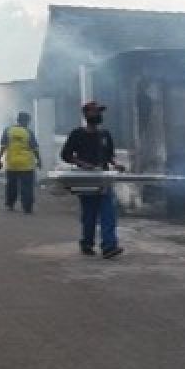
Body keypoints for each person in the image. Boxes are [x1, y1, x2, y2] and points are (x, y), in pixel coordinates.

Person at [60, 100, 124, 259]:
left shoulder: (104, 134)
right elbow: (66, 155)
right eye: (96, 112)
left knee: (108, 212)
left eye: (100, 112)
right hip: (85, 179)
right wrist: (83, 164)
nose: (99, 115)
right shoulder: (77, 134)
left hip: (103, 178)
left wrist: (116, 165)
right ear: (87, 114)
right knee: (89, 214)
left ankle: (109, 246)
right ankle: (87, 243)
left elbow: (109, 155)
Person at [0, 111, 41, 213]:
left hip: (11, 164)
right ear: (27, 121)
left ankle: (10, 204)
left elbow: (3, 147)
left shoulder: (8, 131)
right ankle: (27, 207)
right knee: (27, 186)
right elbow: (35, 149)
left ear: (18, 120)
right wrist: (39, 160)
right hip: (26, 165)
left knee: (11, 185)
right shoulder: (29, 132)